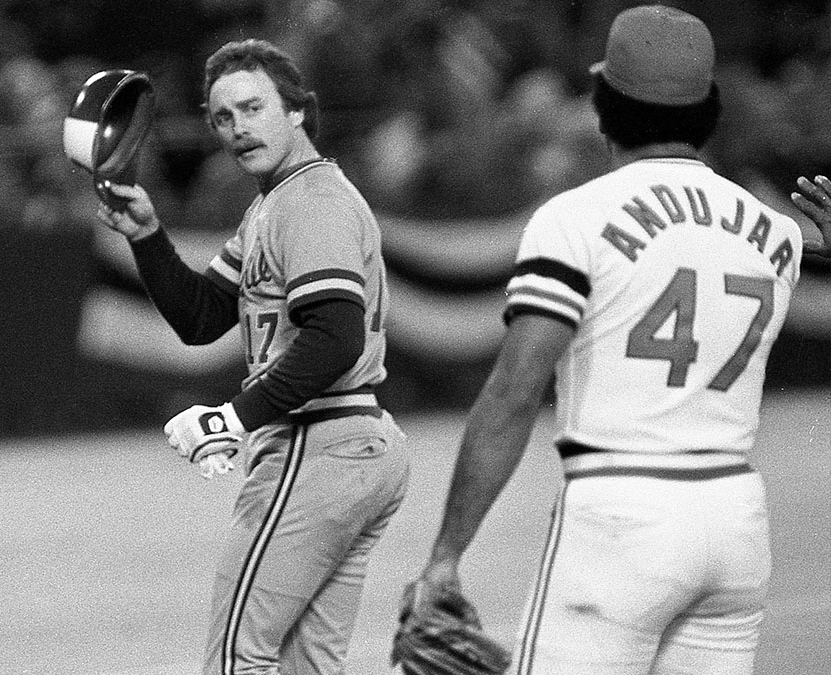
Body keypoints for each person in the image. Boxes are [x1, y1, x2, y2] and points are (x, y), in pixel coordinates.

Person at [402, 5, 831, 675]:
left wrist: (446, 552)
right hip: (735, 519)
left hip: (620, 514)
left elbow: (514, 392)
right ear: (708, 108)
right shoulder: (776, 230)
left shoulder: (572, 219)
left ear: (605, 105)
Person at [97, 38, 410, 675]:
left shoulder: (310, 201)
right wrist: (149, 237)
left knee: (239, 659)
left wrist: (230, 418)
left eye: (253, 107)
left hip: (317, 443)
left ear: (297, 111)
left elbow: (335, 336)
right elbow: (203, 316)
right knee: (304, 667)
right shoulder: (277, 202)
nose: (239, 128)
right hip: (353, 445)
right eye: (223, 117)